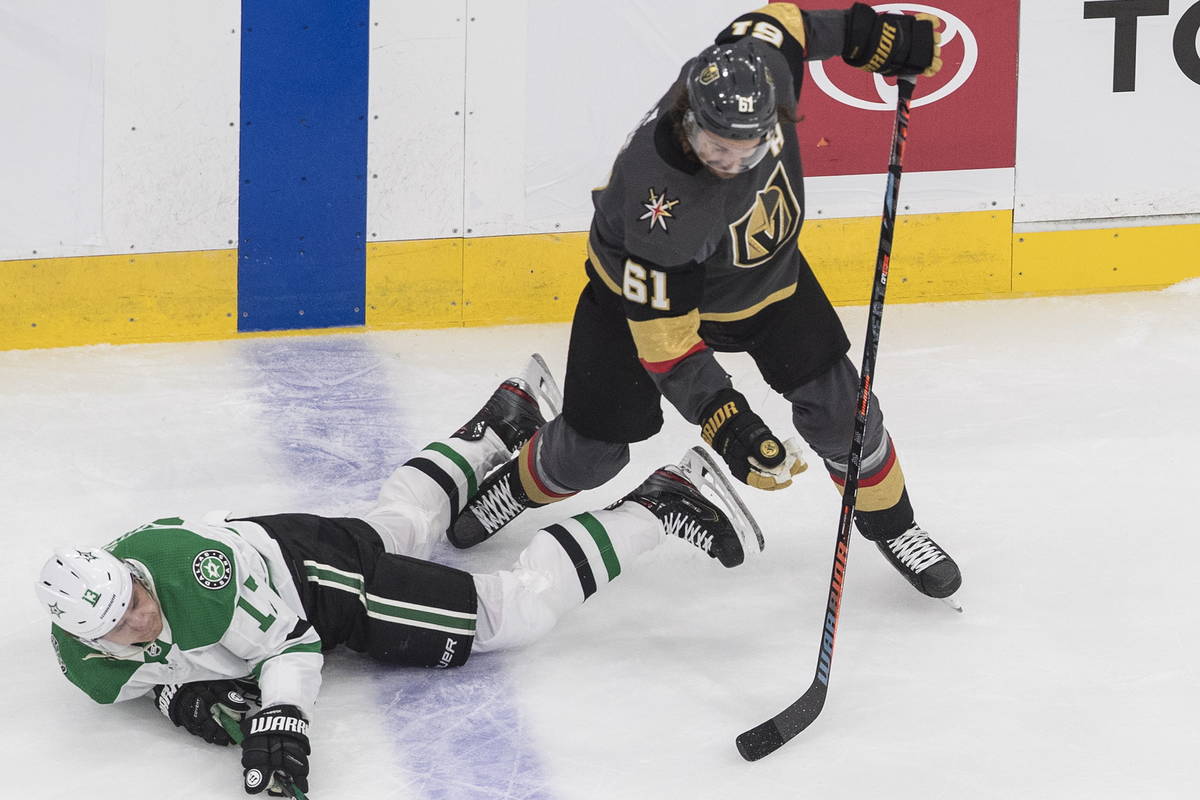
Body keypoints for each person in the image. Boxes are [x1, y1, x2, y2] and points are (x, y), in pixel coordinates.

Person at [35, 355, 758, 797]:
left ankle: (662, 503)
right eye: (120, 623)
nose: (140, 615)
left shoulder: (198, 578)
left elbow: (291, 644)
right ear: (87, 638)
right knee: (398, 526)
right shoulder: (90, 669)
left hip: (314, 589)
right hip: (293, 542)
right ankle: (506, 418)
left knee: (512, 615)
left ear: (129, 572)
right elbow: (154, 679)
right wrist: (189, 707)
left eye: (133, 595)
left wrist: (282, 713)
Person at [450, 4, 961, 601]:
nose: (729, 163)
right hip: (634, 303)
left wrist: (872, 37)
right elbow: (667, 344)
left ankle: (896, 527)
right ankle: (521, 476)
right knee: (591, 456)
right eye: (715, 146)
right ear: (689, 118)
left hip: (764, 285)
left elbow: (787, 21)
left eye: (744, 149)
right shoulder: (661, 202)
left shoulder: (759, 67)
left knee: (845, 412)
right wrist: (726, 417)